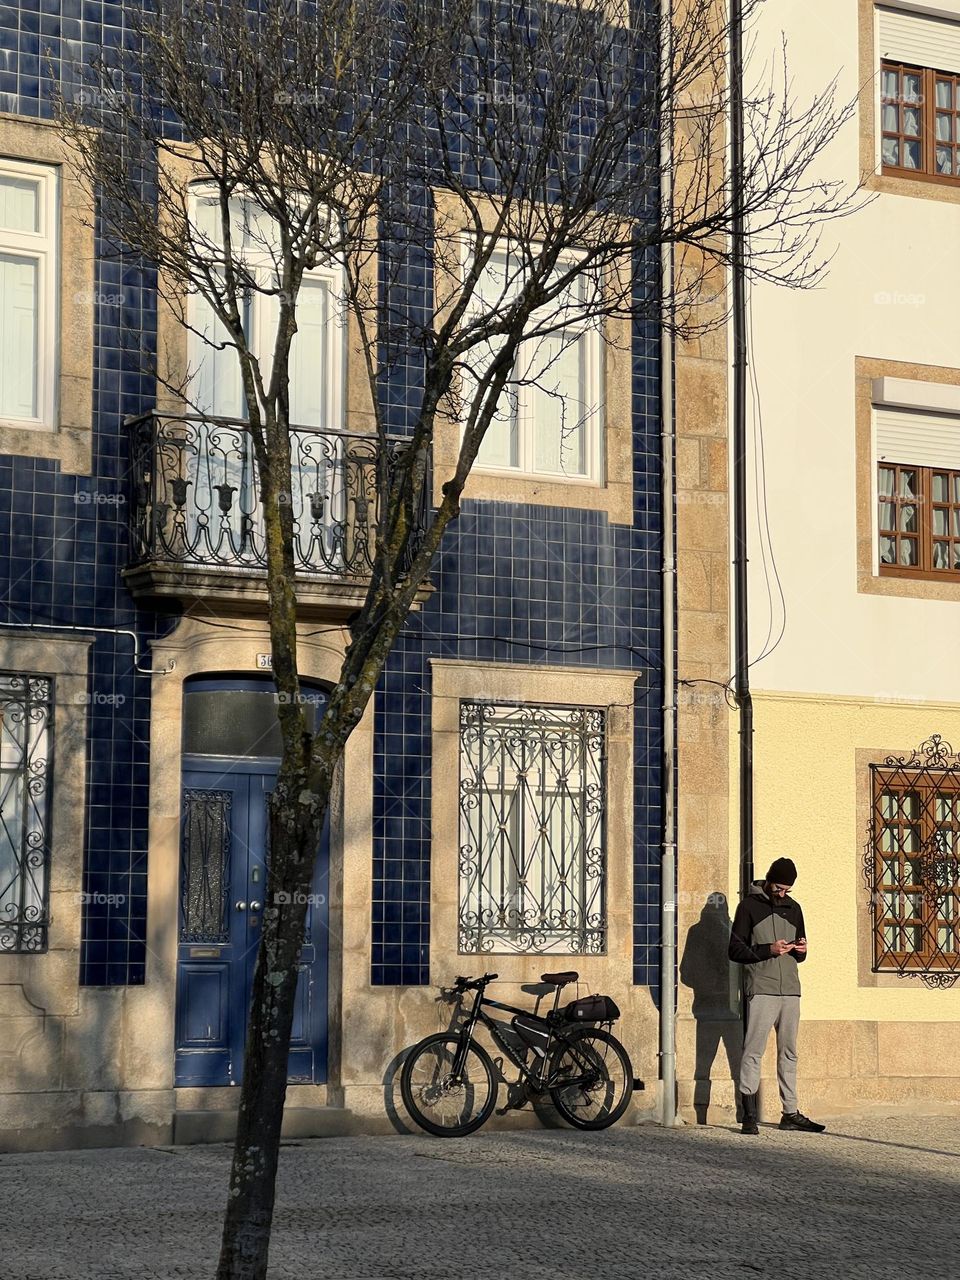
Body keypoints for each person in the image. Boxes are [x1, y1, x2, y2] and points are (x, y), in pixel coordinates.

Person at [728, 858, 825, 1136]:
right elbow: (734, 951)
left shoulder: (795, 909)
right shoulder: (748, 907)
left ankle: (790, 1113)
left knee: (789, 1053)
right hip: (761, 989)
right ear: (769, 881)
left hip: (791, 990)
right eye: (778, 888)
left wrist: (801, 951)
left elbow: (799, 954)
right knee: (753, 1051)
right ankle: (749, 1116)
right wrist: (767, 949)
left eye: (787, 890)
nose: (782, 894)